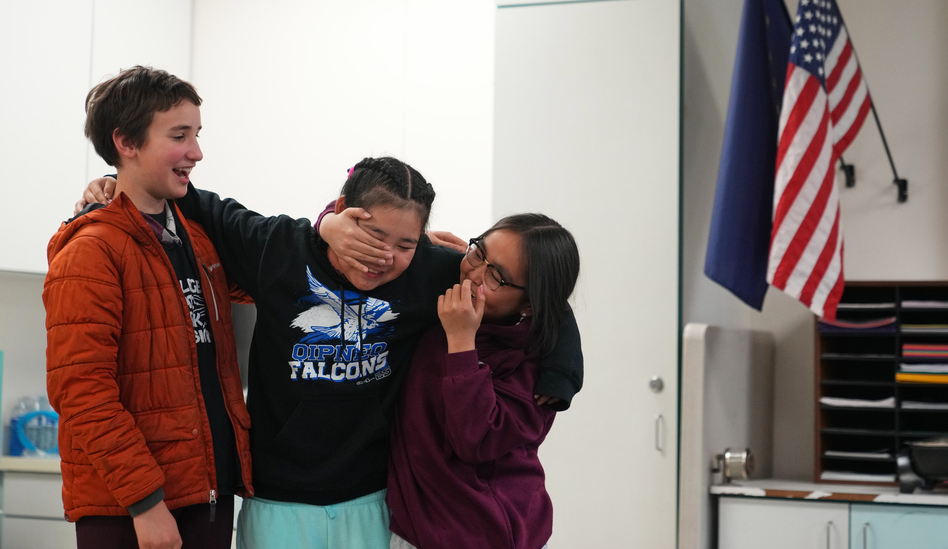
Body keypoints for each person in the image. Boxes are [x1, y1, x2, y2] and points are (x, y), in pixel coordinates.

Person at [77, 156, 582, 549]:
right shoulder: (279, 247)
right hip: (276, 499)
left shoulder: (440, 274)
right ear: (341, 214)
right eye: (371, 233)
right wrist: (115, 180)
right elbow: (191, 199)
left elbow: (536, 290)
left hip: (373, 500)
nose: (383, 255)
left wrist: (559, 375)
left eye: (405, 243)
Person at [44, 66, 253, 549]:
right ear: (126, 142)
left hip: (208, 494)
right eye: (179, 135)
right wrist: (145, 502)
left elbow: (280, 274)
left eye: (197, 135)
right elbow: (81, 392)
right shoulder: (91, 251)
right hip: (134, 510)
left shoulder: (197, 240)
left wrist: (382, 246)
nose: (196, 153)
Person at [385, 213, 579, 549]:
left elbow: (475, 439)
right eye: (479, 253)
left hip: (487, 534)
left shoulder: (537, 369)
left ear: (530, 305)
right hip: (415, 525)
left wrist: (461, 343)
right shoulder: (452, 295)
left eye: (496, 277)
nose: (473, 274)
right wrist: (411, 243)